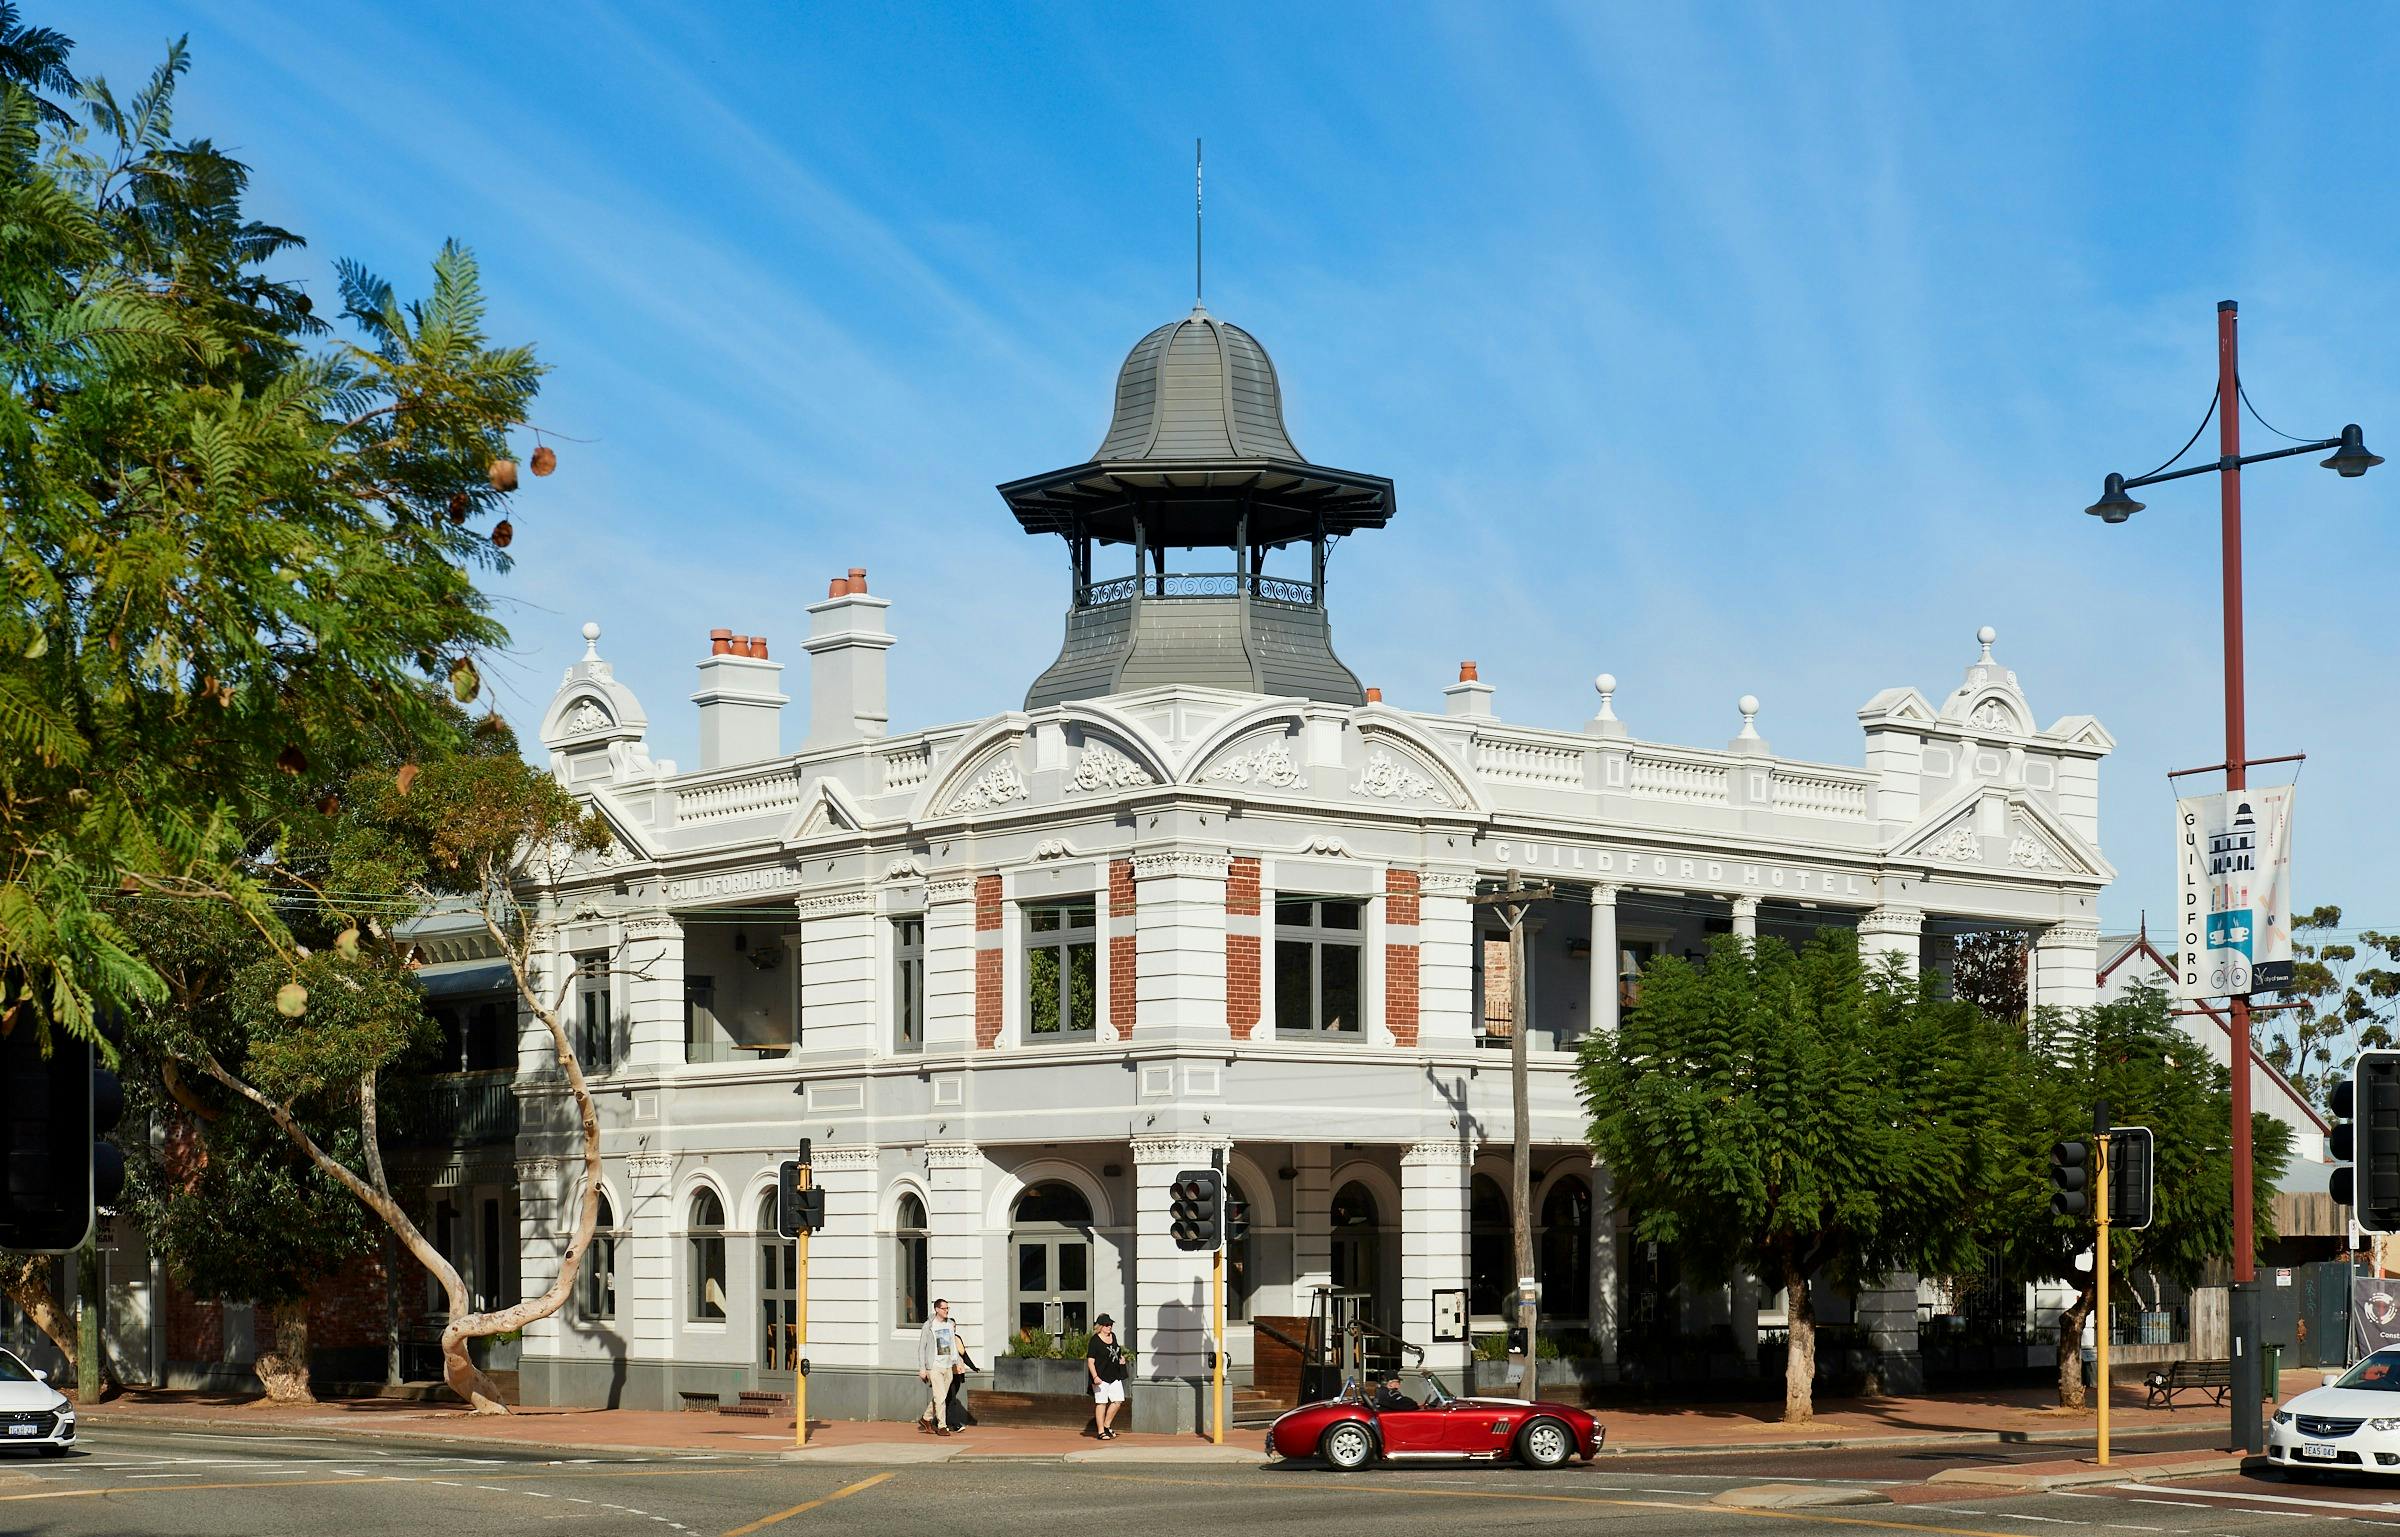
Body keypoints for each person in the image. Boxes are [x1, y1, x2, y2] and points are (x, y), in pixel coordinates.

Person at [918, 1298, 960, 1435]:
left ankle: (926, 1418)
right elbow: (921, 1348)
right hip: (934, 1366)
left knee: (940, 1396)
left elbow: (953, 1345)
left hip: (948, 1366)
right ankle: (942, 1426)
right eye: (944, 1308)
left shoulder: (950, 1324)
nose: (946, 1310)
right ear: (937, 1309)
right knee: (940, 1398)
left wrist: (957, 1362)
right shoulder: (929, 1325)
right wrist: (922, 1368)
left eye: (948, 1308)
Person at [1087, 1313, 1128, 1439]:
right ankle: (1101, 1431)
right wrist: (1095, 1377)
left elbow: (1115, 1351)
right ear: (1100, 1326)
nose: (1109, 1327)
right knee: (1101, 1403)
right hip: (1101, 1377)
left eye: (1110, 1324)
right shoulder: (1095, 1340)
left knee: (1118, 1401)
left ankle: (1106, 1424)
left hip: (1114, 1375)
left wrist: (1121, 1359)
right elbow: (1090, 1361)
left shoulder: (1113, 1336)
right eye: (1106, 1325)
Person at [946, 1332, 980, 1429]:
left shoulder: (957, 1338)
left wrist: (973, 1367)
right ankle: (954, 1424)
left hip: (958, 1374)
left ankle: (941, 1422)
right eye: (952, 1326)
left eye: (955, 1326)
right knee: (951, 1399)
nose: (953, 1328)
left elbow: (964, 1355)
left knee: (949, 1399)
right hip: (949, 1373)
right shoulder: (945, 1338)